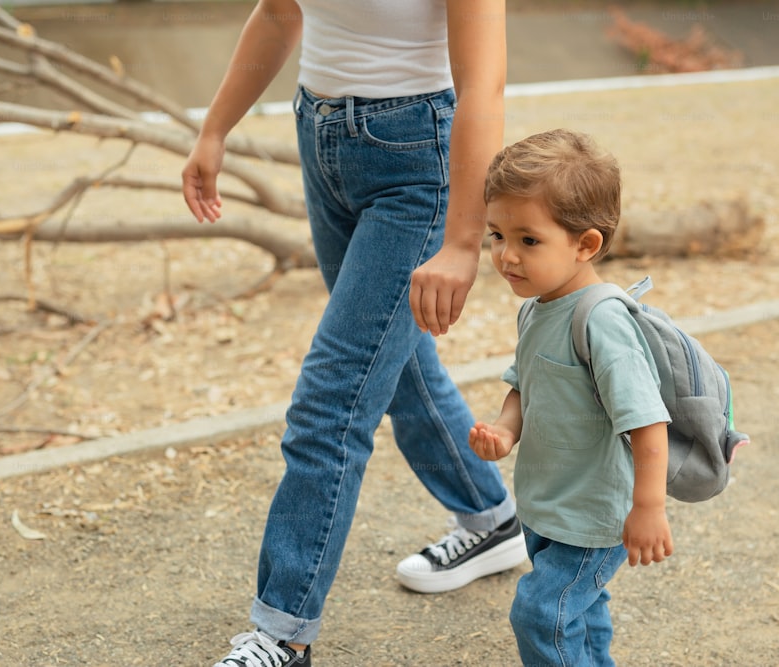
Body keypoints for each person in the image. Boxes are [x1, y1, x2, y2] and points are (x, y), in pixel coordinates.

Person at [180, 1, 527, 665]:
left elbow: (484, 85)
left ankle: (284, 631)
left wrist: (462, 239)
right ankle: (490, 517)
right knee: (395, 362)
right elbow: (281, 12)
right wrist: (215, 129)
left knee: (332, 399)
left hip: (415, 158)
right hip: (322, 134)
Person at [469, 128, 675, 667]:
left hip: (594, 514)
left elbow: (648, 421)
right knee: (580, 613)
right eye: (496, 235)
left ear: (585, 244)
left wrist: (648, 507)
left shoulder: (602, 319)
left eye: (528, 240)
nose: (506, 256)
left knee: (541, 614)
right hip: (549, 503)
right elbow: (523, 383)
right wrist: (505, 429)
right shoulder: (537, 306)